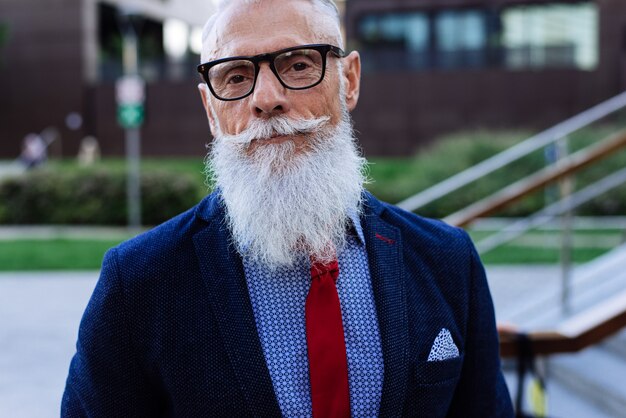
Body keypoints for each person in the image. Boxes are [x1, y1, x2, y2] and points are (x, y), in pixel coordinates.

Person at [62, 0, 514, 416]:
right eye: (235, 77)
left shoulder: (447, 261)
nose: (265, 99)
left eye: (298, 65)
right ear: (209, 108)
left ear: (349, 80)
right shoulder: (139, 281)